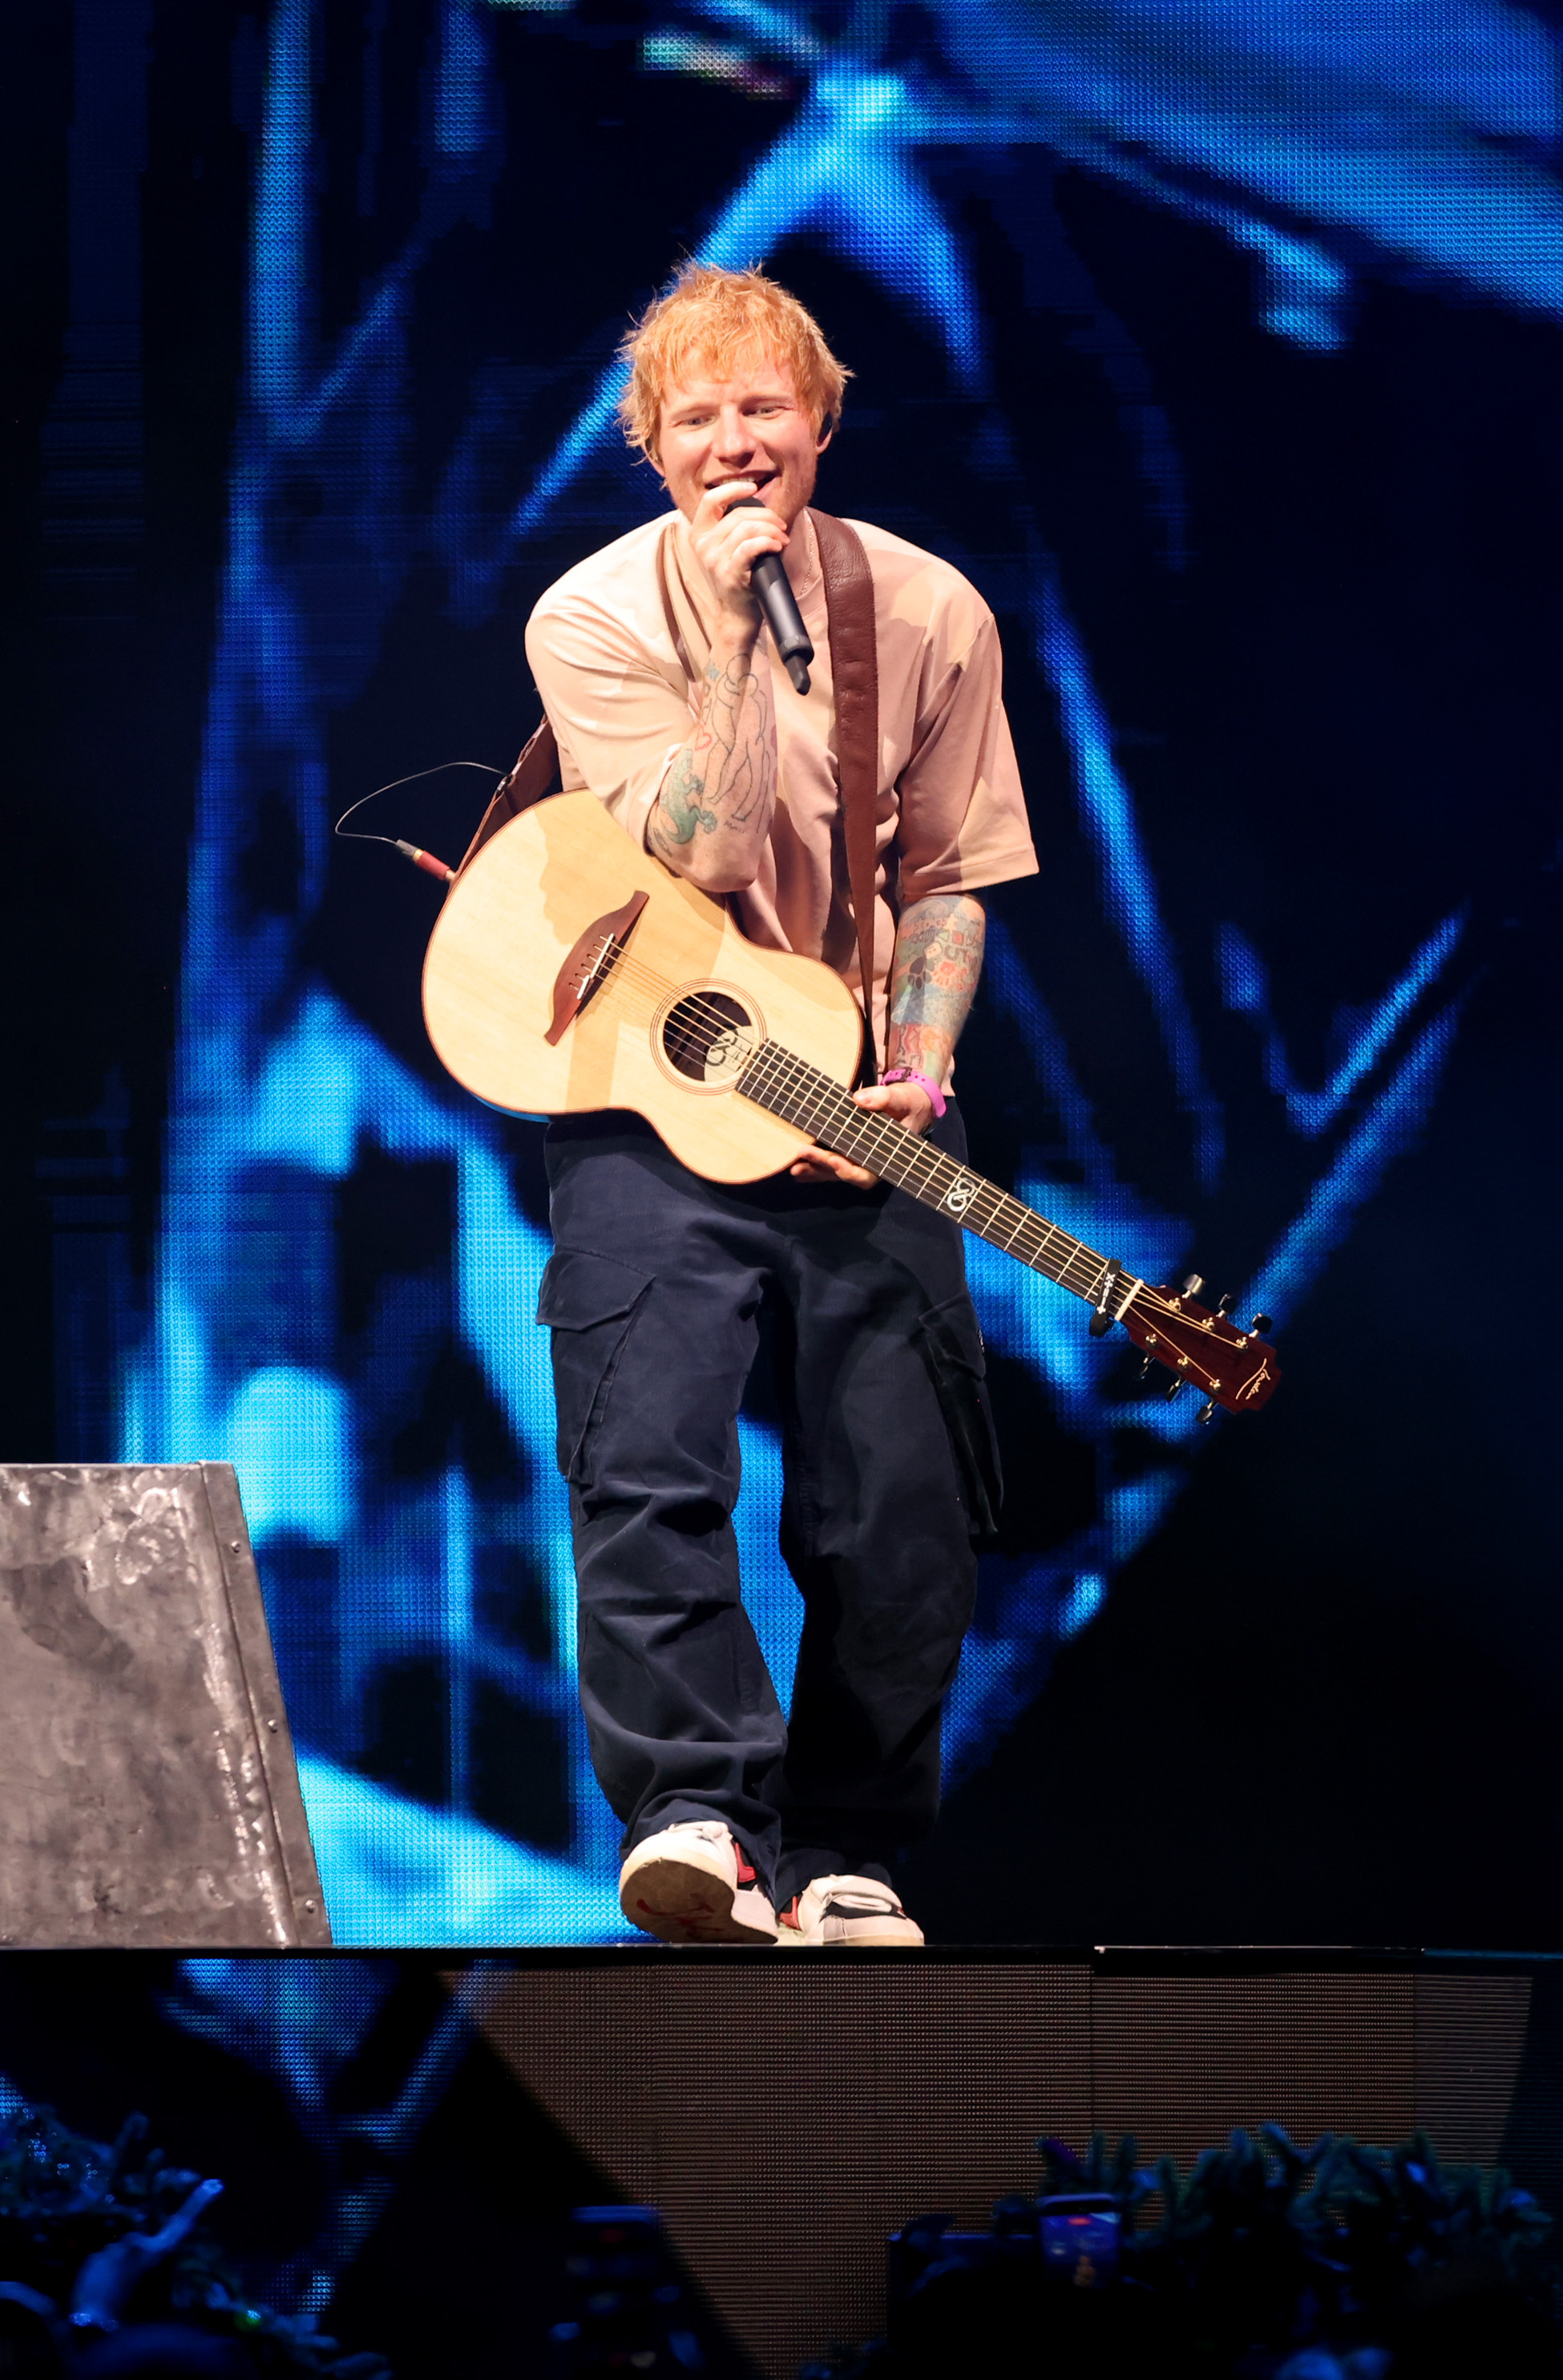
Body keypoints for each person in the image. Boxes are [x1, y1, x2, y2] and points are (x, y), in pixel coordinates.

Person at [524, 262, 1037, 1946]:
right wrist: (736, 632)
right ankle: (695, 1817)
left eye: (763, 406)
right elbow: (703, 843)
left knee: (902, 1494)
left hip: (869, 1085)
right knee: (648, 1459)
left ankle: (850, 1847)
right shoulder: (593, 615)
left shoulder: (932, 609)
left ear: (821, 421)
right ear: (649, 447)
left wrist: (930, 1045)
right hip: (656, 1085)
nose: (734, 441)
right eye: (697, 415)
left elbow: (955, 875)